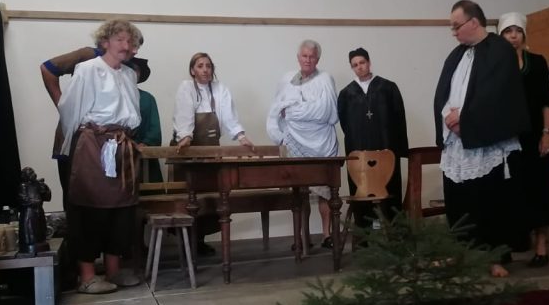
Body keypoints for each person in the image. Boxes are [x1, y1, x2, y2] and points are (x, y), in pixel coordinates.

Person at [434, 0, 529, 277]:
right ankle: (460, 253)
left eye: (456, 26)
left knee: (489, 200)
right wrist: (449, 117)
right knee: (459, 200)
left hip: (487, 139)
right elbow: (443, 91)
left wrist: (465, 119)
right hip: (458, 141)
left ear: (474, 22)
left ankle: (494, 257)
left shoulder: (500, 51)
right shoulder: (455, 55)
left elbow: (497, 95)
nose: (453, 32)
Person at [57, 19, 144, 294]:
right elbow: (69, 110)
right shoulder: (87, 69)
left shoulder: (129, 74)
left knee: (122, 208)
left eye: (130, 41)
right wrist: (76, 144)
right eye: (120, 40)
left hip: (121, 143)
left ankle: (114, 271)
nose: (126, 46)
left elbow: (132, 112)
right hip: (94, 143)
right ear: (105, 42)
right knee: (91, 206)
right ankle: (87, 276)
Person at [172, 52, 255, 254]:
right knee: (187, 195)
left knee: (209, 196)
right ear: (192, 70)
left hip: (210, 150)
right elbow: (183, 114)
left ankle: (199, 241)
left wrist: (241, 136)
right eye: (200, 66)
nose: (205, 70)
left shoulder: (220, 89)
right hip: (188, 149)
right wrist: (186, 136)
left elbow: (229, 116)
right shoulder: (186, 88)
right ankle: (186, 242)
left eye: (208, 66)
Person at [498, 13, 549, 267]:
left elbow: (546, 100)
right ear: (501, 36)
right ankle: (506, 246)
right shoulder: (496, 66)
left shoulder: (537, 62)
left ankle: (541, 247)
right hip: (506, 138)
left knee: (540, 188)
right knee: (508, 191)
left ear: (524, 34)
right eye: (508, 31)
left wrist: (546, 133)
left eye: (517, 31)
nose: (513, 36)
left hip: (535, 135)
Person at [267, 39, 339, 248]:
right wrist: (297, 112)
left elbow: (326, 112)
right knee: (300, 193)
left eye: (312, 56)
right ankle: (301, 237)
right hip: (295, 143)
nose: (308, 60)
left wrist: (292, 111)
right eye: (304, 56)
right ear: (298, 57)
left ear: (318, 59)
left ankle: (327, 235)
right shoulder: (287, 80)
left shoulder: (325, 79)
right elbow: (276, 109)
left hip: (322, 143)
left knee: (325, 192)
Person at [337, 48, 409, 228]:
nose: (359, 67)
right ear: (352, 68)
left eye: (362, 62)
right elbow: (345, 124)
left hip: (386, 148)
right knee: (361, 188)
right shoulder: (346, 94)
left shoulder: (388, 88)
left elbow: (399, 118)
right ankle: (365, 231)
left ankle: (394, 230)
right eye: (355, 65)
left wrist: (400, 149)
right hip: (359, 149)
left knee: (389, 189)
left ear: (369, 62)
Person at [131, 57, 163, 183]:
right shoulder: (113, 97)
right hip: (121, 155)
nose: (132, 73)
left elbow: (155, 129)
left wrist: (145, 143)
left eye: (136, 70)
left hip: (144, 155)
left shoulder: (148, 99)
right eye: (129, 69)